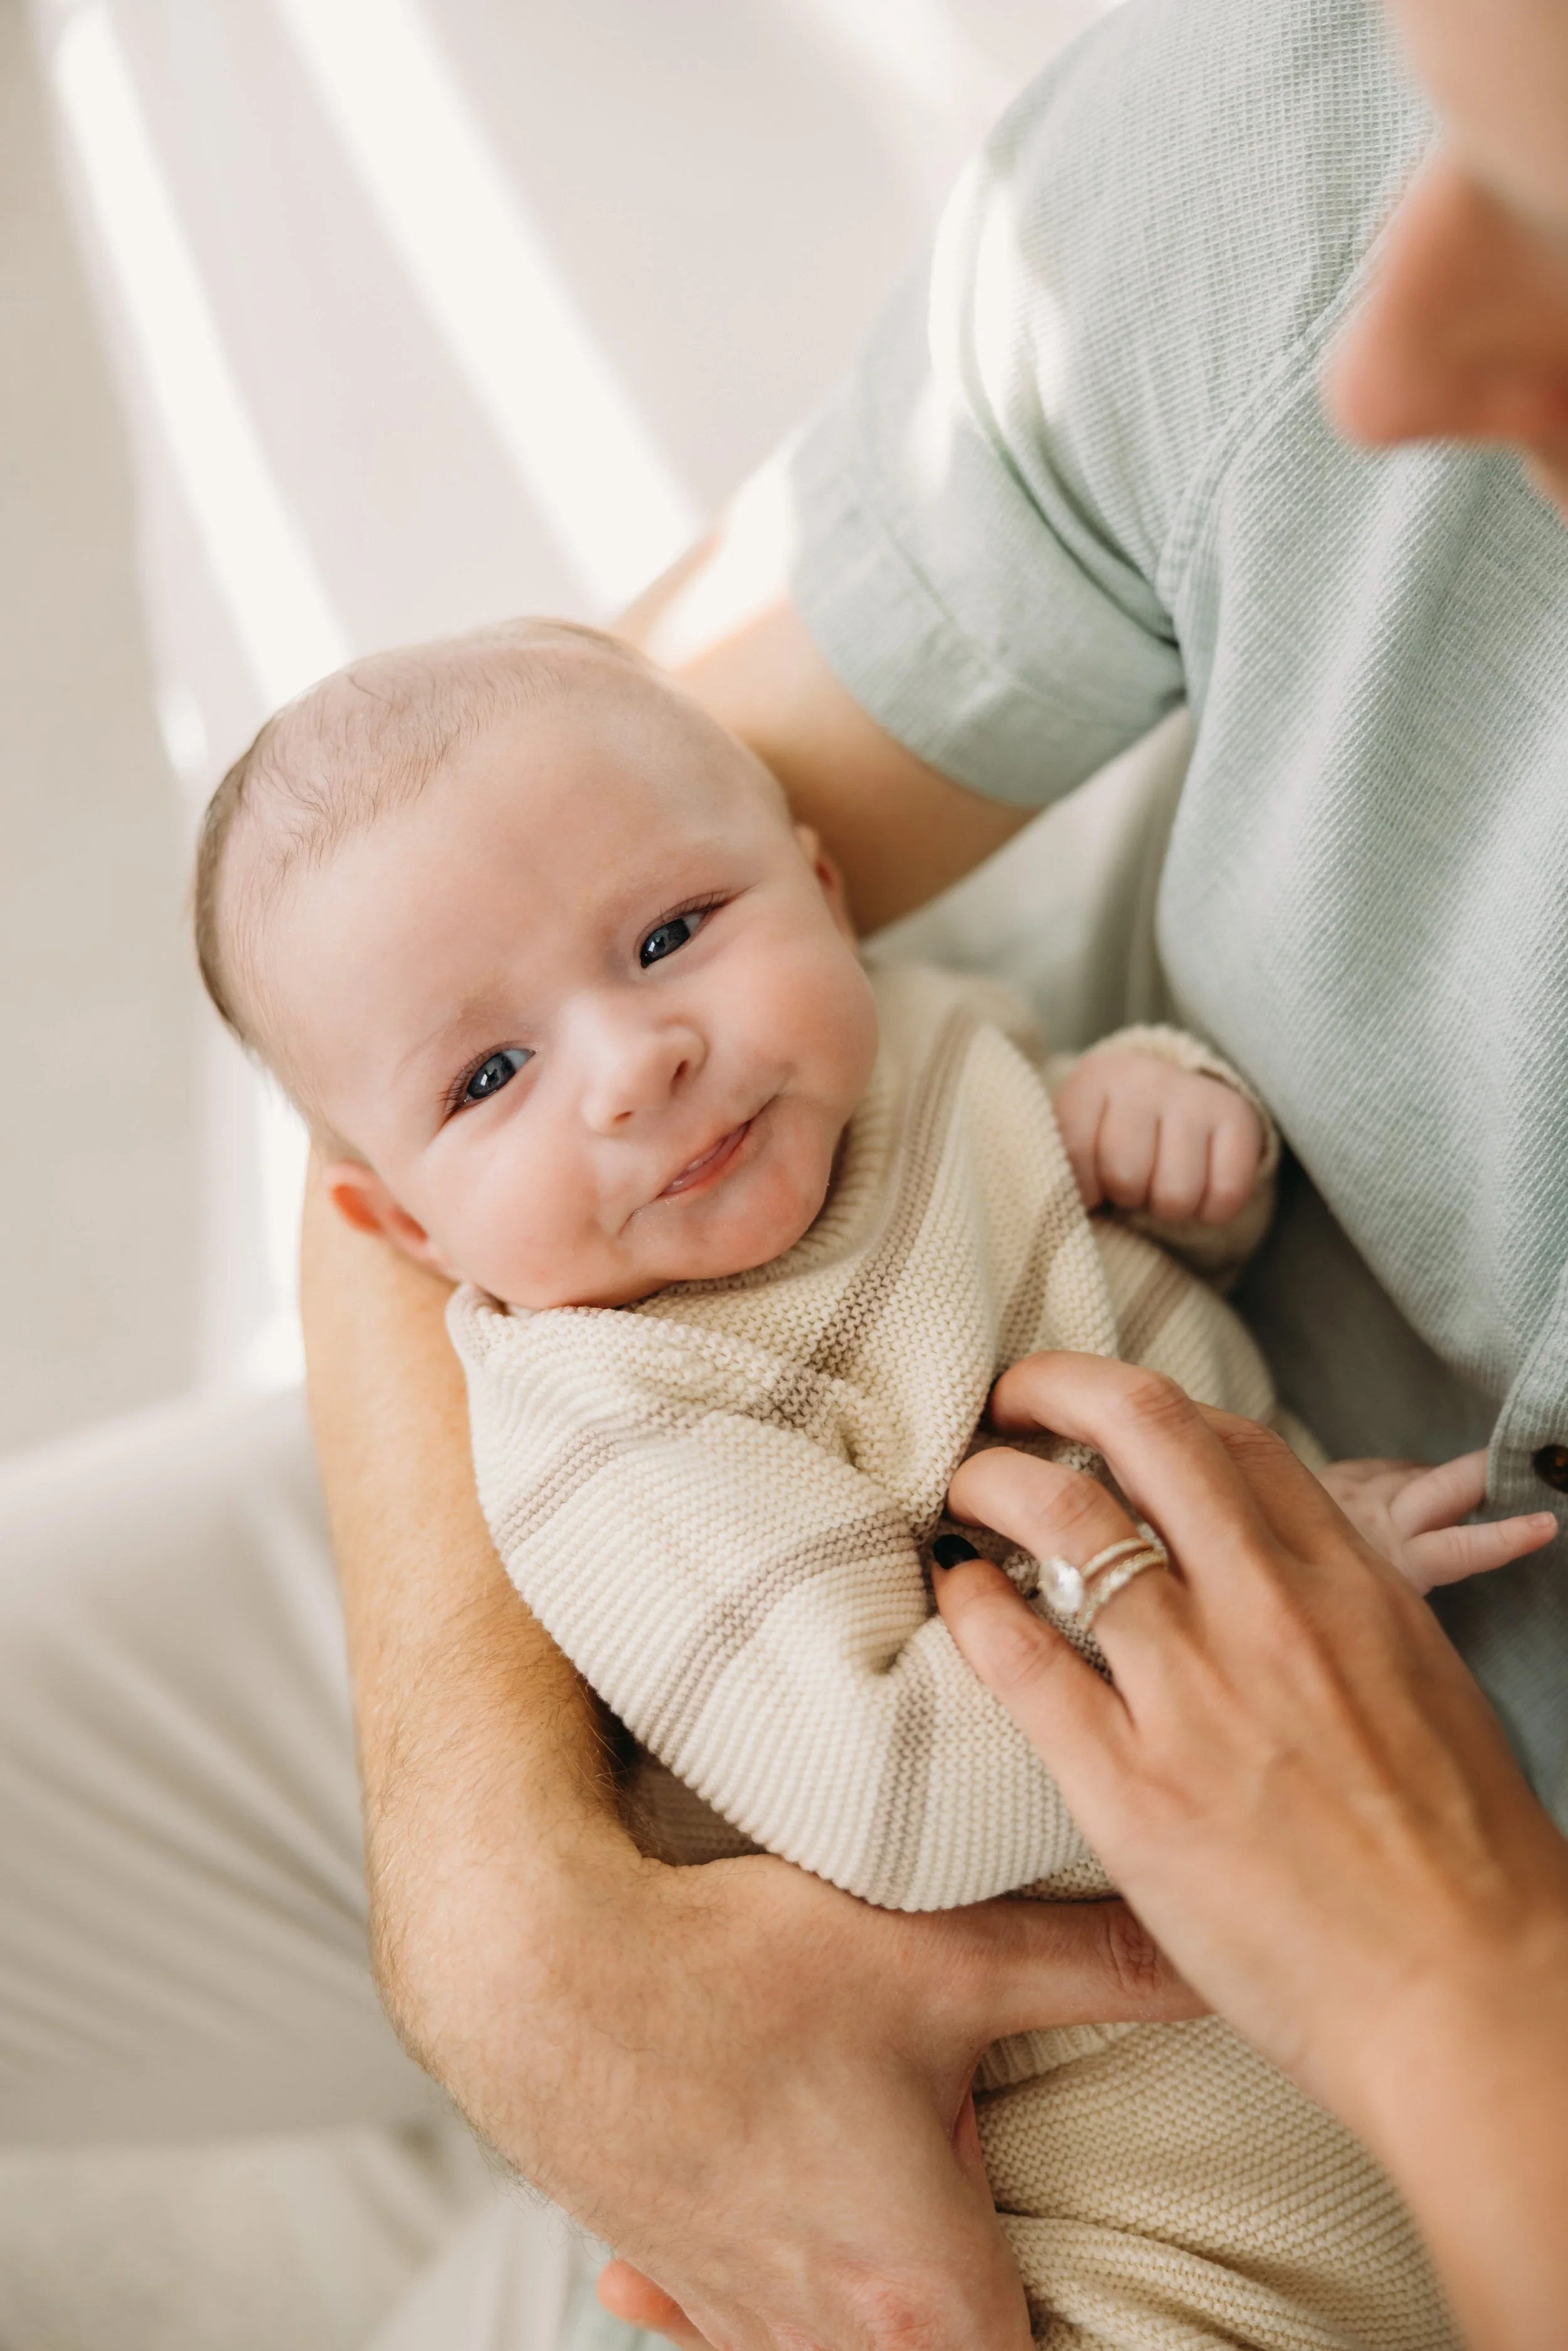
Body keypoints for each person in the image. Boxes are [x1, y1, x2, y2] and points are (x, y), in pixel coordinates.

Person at [6, 0, 1568, 2343]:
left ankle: (442, 2227)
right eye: (509, 1080)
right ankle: (438, 2130)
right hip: (737, 1666)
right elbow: (437, 869)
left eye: (676, 946)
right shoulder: (1309, 136)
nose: (1382, 349)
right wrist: (512, 1923)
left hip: (1148, 2102)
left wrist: (1463, 1972)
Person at [194, 615, 1551, 2340]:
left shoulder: (886, 1057)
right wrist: (1259, 1602)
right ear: (402, 1229)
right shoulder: (616, 1413)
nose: (633, 1064)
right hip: (1082, 2195)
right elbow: (891, 1783)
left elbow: (1070, 1208)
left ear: (822, 888)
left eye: (672, 932)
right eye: (488, 1075)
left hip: (1341, 2080)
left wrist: (1153, 1122)